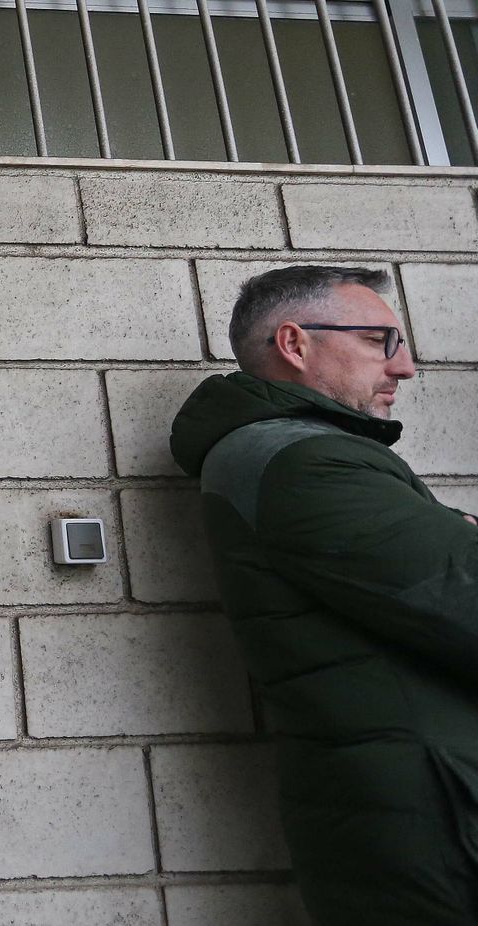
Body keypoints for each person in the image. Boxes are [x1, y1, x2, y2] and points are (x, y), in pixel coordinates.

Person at [169, 265, 478, 925]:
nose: (406, 369)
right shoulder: (306, 463)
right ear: (295, 343)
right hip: (438, 824)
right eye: (379, 341)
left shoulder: (297, 454)